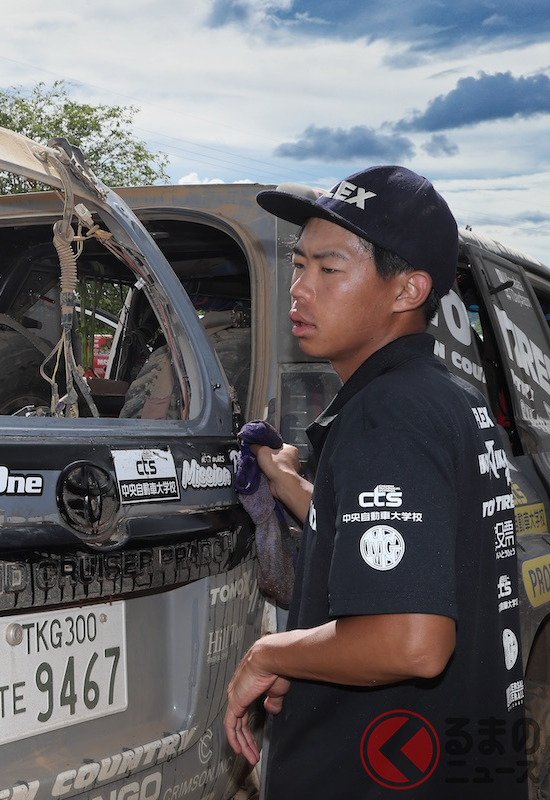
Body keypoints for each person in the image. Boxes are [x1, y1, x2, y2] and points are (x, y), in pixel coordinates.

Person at [223, 166, 526, 797]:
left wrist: (271, 654)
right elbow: (401, 541)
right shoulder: (448, 399)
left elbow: (408, 642)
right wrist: (294, 492)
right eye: (299, 264)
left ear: (407, 289)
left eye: (328, 270)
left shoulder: (386, 414)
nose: (299, 289)